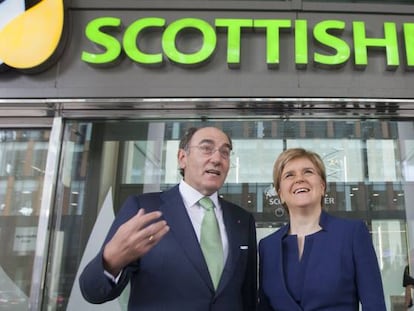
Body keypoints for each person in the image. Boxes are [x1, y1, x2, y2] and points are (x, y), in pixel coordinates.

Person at [79, 126, 257, 311]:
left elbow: (248, 296)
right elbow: (93, 291)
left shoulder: (242, 220)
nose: (217, 159)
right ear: (182, 158)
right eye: (206, 148)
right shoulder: (144, 209)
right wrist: (110, 260)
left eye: (225, 152)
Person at [257, 148, 386, 311]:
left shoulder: (352, 234)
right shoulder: (267, 246)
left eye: (308, 172)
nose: (299, 179)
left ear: (322, 186)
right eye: (289, 175)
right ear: (280, 193)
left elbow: (374, 306)